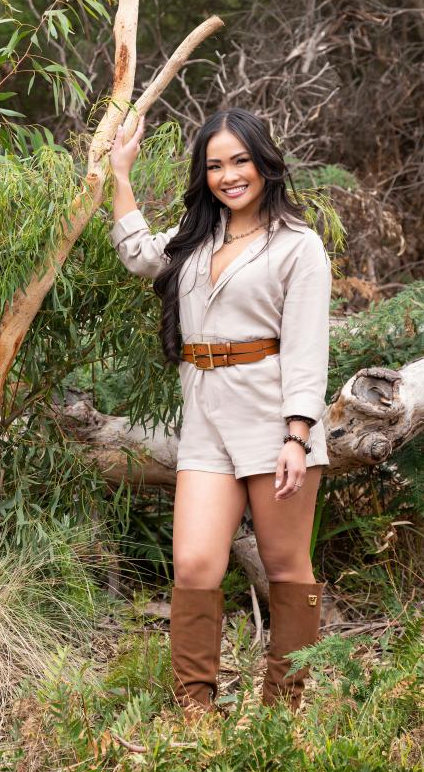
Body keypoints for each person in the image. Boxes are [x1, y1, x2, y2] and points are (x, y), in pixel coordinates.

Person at [108, 107, 332, 721]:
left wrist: (298, 435)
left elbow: (308, 346)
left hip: (274, 417)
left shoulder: (298, 246)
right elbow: (138, 257)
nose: (229, 175)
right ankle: (195, 716)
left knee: (286, 565)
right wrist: (120, 176)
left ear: (264, 162)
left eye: (239, 161)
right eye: (214, 165)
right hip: (205, 414)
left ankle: (283, 714)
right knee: (195, 563)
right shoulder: (198, 238)